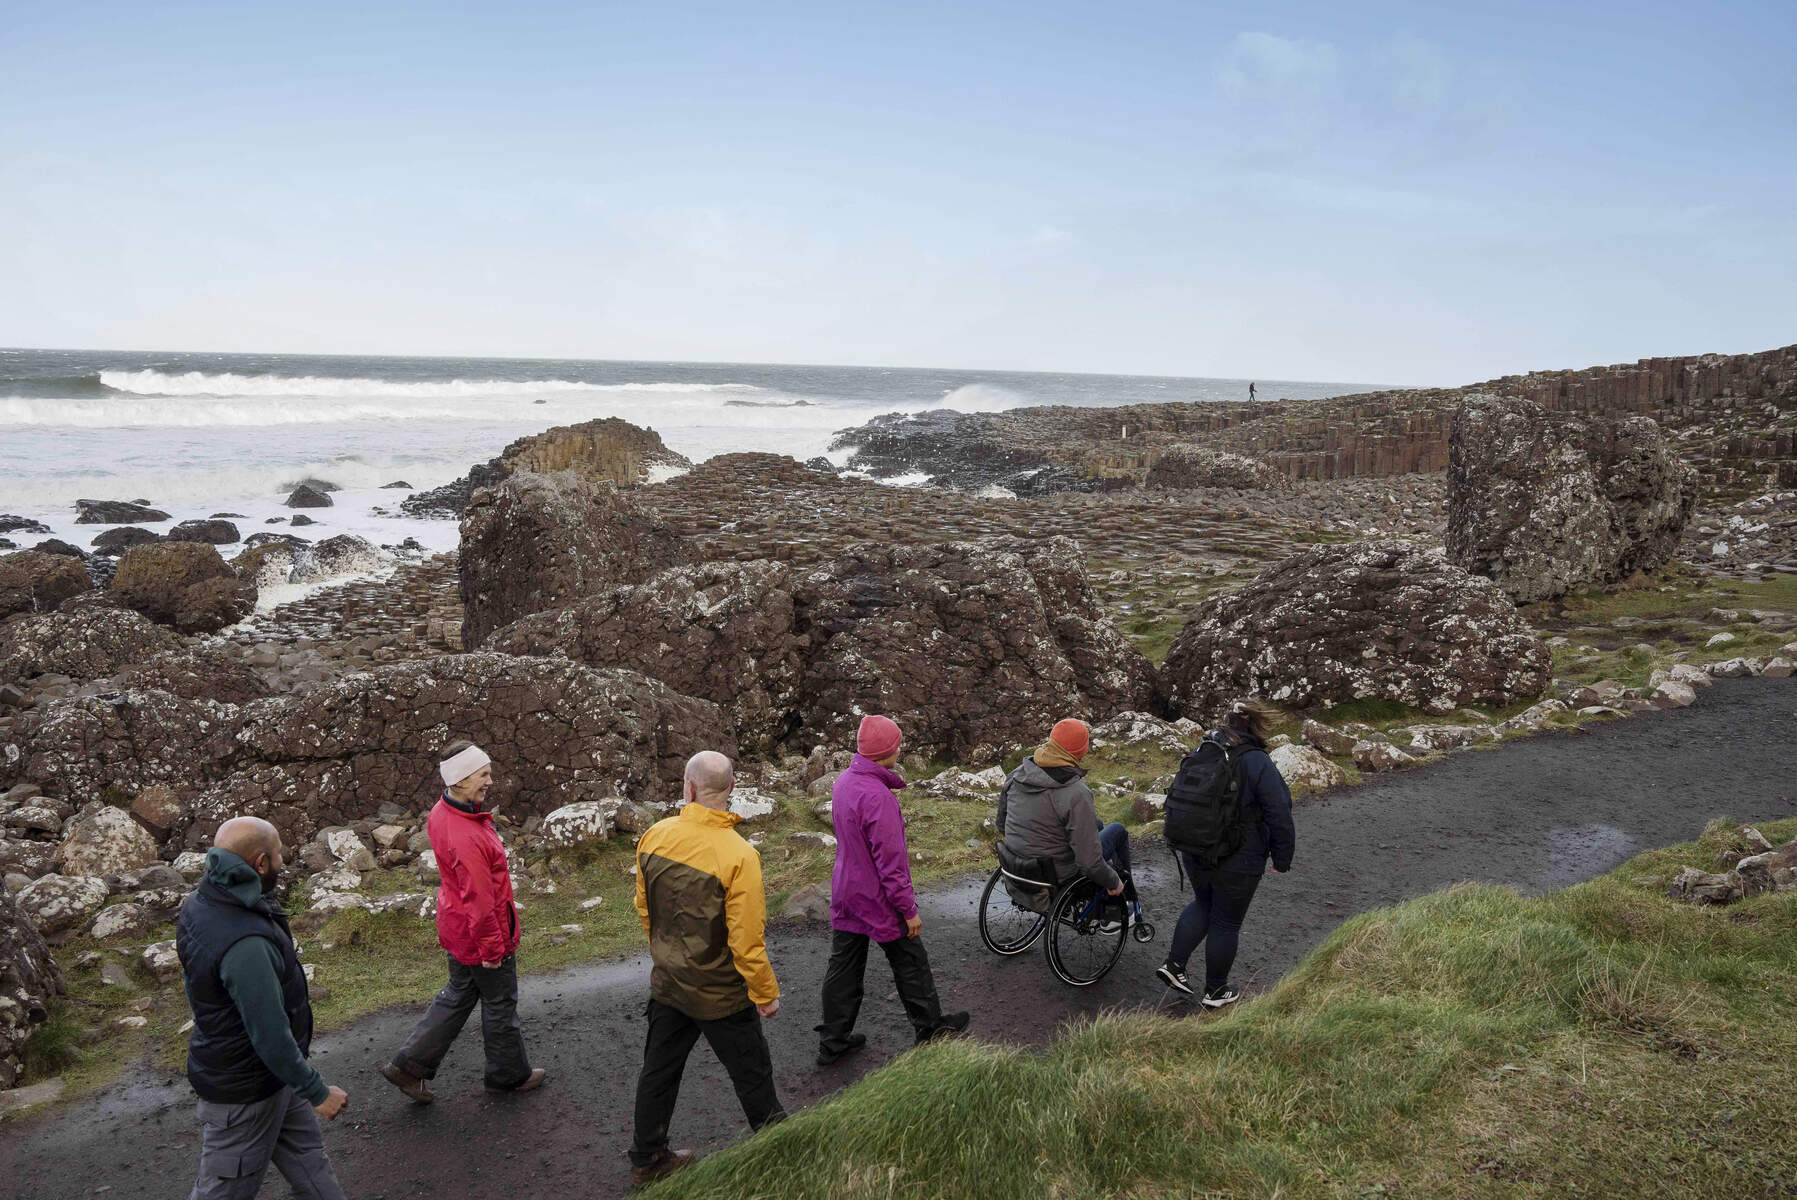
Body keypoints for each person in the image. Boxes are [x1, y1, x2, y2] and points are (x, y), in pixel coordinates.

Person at [628, 751, 786, 1188]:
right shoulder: (739, 855)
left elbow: (646, 910)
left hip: (669, 984)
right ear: (732, 789)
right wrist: (764, 992)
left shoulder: (654, 836)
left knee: (658, 1071)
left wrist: (667, 953)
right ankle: (785, 1151)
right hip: (720, 994)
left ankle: (647, 1158)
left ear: (688, 787)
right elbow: (746, 940)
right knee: (752, 1073)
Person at [176, 816, 349, 1200]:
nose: (283, 861)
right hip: (245, 1096)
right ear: (259, 863)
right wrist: (316, 1091)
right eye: (278, 854)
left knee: (311, 1167)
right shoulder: (245, 943)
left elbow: (195, 987)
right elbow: (268, 1034)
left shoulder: (202, 902)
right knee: (222, 1191)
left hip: (275, 1080)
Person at [380, 740, 545, 1103]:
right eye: (483, 774)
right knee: (500, 1001)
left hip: (457, 926)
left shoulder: (444, 811)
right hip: (480, 935)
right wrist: (492, 948)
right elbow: (481, 902)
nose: (490, 781)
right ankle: (507, 1076)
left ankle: (408, 1067)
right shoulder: (467, 835)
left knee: (458, 996)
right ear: (460, 778)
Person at [815, 715, 970, 1066]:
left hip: (845, 889)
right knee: (911, 960)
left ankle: (833, 1041)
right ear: (886, 752)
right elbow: (892, 864)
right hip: (877, 897)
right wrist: (908, 910)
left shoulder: (843, 783)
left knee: (843, 967)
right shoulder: (879, 797)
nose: (899, 748)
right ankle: (931, 1030)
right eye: (896, 744)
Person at [1155, 700, 1296, 1008]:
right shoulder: (1257, 760)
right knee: (1226, 922)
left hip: (1195, 848)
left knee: (1204, 903)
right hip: (1239, 857)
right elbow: (1279, 811)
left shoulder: (1203, 750)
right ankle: (1216, 991)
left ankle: (1174, 965)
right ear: (1256, 727)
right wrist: (1282, 858)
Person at [997, 718, 1137, 928]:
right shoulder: (1076, 792)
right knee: (1117, 830)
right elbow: (1088, 863)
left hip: (1017, 863)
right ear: (1080, 752)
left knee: (1096, 824)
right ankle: (1123, 900)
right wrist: (1113, 881)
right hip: (1055, 872)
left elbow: (1002, 824)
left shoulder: (1017, 773)